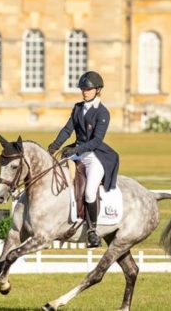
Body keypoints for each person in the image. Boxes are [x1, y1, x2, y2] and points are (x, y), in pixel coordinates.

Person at [48, 71, 120, 248]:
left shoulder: (103, 112)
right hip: (77, 152)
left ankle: (92, 231)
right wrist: (55, 145)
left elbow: (96, 141)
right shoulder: (78, 108)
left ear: (97, 90)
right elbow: (67, 129)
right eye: (83, 89)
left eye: (88, 89)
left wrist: (76, 149)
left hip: (94, 156)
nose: (84, 92)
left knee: (89, 192)